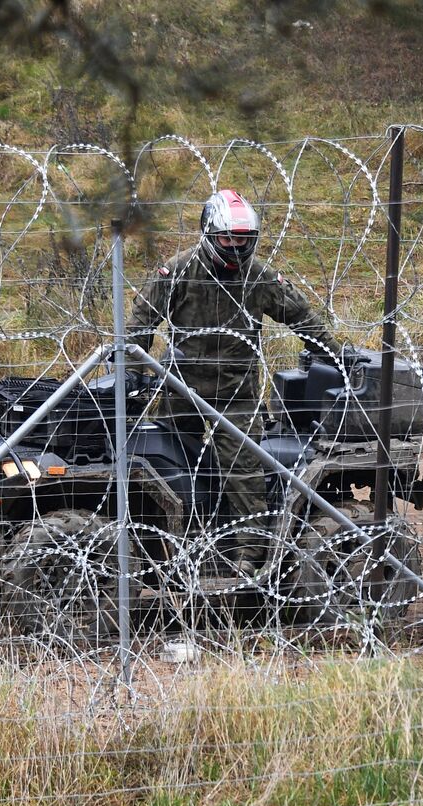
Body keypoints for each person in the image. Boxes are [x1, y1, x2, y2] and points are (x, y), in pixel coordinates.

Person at [130, 189, 336, 575]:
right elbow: (141, 320)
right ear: (208, 233)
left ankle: (248, 553)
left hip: (235, 392)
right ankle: (186, 542)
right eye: (227, 238)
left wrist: (335, 354)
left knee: (243, 469)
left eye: (242, 239)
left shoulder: (258, 276)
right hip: (181, 389)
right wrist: (131, 372)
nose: (235, 246)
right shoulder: (178, 271)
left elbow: (300, 316)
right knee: (171, 469)